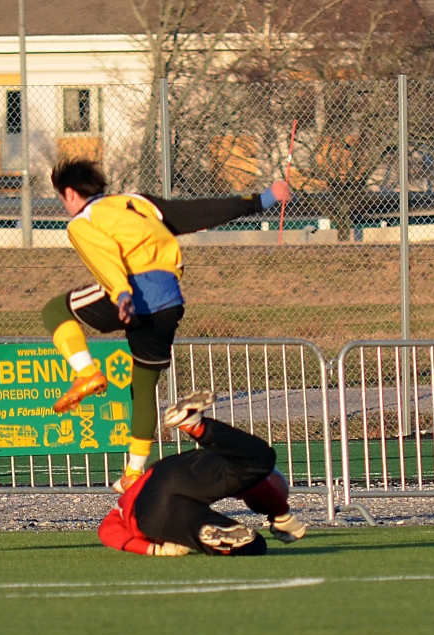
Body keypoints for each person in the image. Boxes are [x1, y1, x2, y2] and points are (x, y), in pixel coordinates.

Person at [42, 158, 292, 493]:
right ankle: (133, 472)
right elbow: (193, 214)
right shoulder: (138, 204)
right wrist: (260, 201)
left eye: (62, 198)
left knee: (55, 310)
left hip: (131, 292)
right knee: (143, 385)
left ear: (70, 193)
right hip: (170, 302)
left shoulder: (83, 221)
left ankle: (87, 373)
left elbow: (105, 257)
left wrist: (121, 294)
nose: (64, 205)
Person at [97, 389, 307, 556]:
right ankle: (205, 533)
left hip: (162, 494)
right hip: (160, 500)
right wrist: (281, 514)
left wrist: (155, 550)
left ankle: (197, 426)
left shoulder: (126, 502)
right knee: (255, 544)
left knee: (253, 540)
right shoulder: (129, 498)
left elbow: (107, 532)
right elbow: (258, 486)